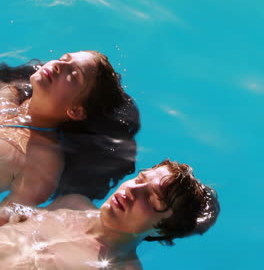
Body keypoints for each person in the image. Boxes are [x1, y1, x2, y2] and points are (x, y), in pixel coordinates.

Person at [0, 158, 220, 269]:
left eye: (152, 198)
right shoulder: (72, 204)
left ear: (164, 227)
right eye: (139, 180)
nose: (131, 190)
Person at [0, 51, 140, 207]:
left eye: (73, 76)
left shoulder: (42, 163)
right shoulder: (6, 92)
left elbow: (7, 222)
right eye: (63, 59)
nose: (59, 65)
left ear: (76, 111)